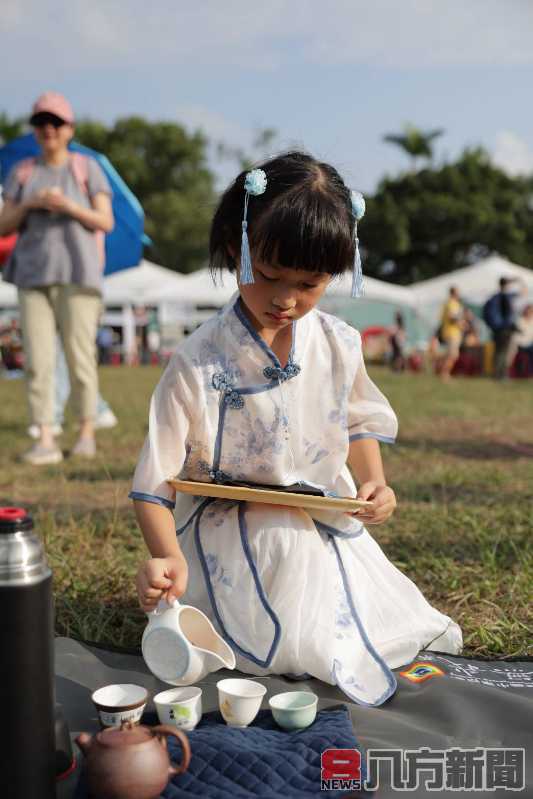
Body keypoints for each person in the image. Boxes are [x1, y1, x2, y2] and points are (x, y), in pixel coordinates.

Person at [129, 152, 462, 708]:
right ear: (238, 252)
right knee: (298, 622)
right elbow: (155, 481)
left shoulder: (337, 342)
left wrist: (373, 482)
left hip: (323, 517)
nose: (286, 299)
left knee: (390, 620)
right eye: (270, 276)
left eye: (309, 284)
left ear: (337, 272)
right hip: (230, 528)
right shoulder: (197, 361)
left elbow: (357, 419)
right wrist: (167, 555)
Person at [0, 92, 114, 464]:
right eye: (40, 123)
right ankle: (45, 436)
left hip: (79, 274)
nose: (48, 129)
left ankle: (85, 430)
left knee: (80, 355)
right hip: (32, 275)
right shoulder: (22, 173)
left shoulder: (87, 168)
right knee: (37, 358)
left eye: (55, 122)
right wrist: (30, 204)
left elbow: (105, 221)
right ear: (34, 130)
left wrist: (68, 205)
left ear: (69, 129)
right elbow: (3, 224)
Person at [483, 277, 528, 380]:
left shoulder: (494, 297)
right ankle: (501, 375)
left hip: (496, 329)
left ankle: (496, 374)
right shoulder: (507, 296)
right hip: (505, 328)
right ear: (507, 285)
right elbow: (524, 292)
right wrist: (519, 281)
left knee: (498, 351)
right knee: (504, 352)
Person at [438, 286, 463, 382]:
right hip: (451, 332)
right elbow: (452, 318)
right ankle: (445, 374)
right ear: (454, 293)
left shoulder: (452, 303)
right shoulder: (451, 303)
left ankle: (443, 372)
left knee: (451, 354)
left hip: (452, 332)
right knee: (452, 355)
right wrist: (461, 324)